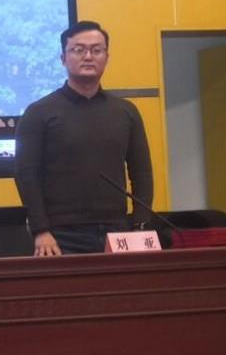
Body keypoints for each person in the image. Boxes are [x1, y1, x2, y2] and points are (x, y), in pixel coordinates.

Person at [15, 21, 154, 256]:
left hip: (118, 230)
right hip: (59, 235)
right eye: (79, 50)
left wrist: (141, 224)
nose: (88, 56)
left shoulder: (125, 111)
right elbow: (26, 174)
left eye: (97, 50)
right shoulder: (39, 112)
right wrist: (41, 230)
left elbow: (142, 173)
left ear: (107, 57)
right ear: (63, 58)